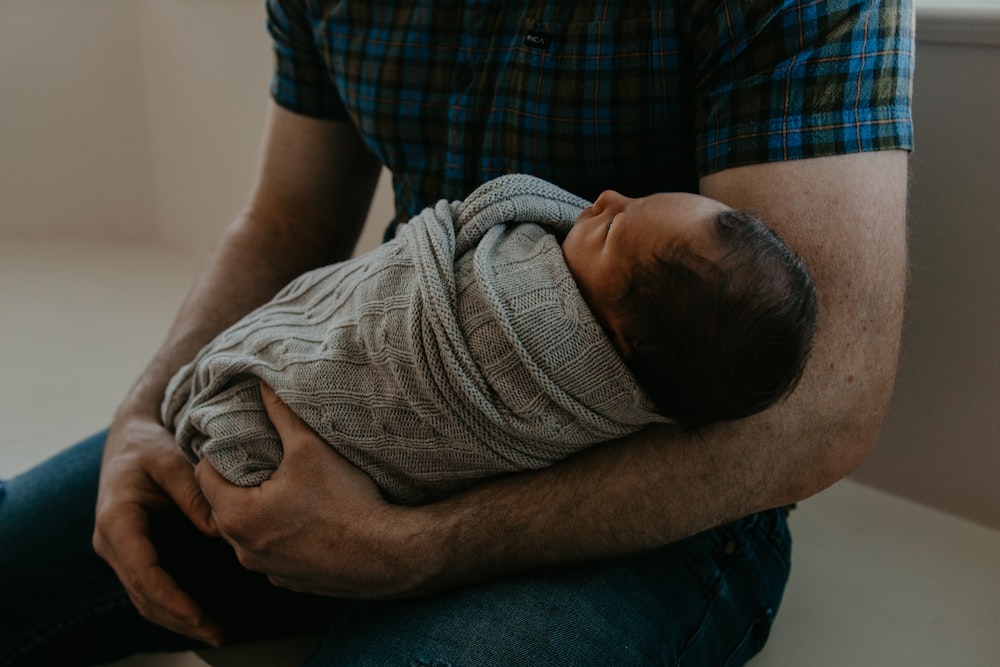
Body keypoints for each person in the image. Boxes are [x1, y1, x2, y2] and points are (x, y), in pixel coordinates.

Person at [0, 0, 913, 664]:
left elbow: (827, 400)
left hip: (642, 497)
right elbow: (285, 224)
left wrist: (419, 546)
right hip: (362, 385)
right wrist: (143, 416)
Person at [163, 173, 817, 504]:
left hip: (316, 407)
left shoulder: (523, 323)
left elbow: (410, 342)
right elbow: (285, 218)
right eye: (631, 201)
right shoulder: (649, 372)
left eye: (615, 230)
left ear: (617, 340)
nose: (607, 198)